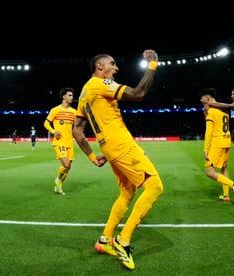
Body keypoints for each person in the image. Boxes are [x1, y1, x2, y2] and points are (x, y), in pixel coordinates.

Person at [72, 50, 163, 270]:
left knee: (127, 192)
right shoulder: (99, 84)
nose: (116, 68)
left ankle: (105, 240)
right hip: (120, 143)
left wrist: (92, 156)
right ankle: (123, 241)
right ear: (99, 67)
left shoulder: (84, 92)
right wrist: (153, 64)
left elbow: (77, 131)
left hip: (110, 146)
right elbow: (139, 93)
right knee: (154, 186)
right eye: (112, 64)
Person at [200, 88, 234, 202]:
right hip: (227, 141)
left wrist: (205, 149)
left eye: (202, 97)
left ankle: (233, 184)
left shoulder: (212, 111)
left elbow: (209, 131)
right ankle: (226, 195)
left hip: (217, 142)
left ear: (208, 98)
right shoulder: (224, 111)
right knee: (224, 168)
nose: (201, 100)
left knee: (209, 172)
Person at [44, 87, 76, 195]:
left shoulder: (73, 112)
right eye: (70, 95)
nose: (72, 97)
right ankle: (58, 180)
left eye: (72, 95)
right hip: (59, 142)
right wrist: (53, 131)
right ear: (64, 96)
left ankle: (58, 187)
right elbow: (46, 123)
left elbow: (77, 127)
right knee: (66, 164)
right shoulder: (55, 110)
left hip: (70, 142)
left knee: (68, 168)